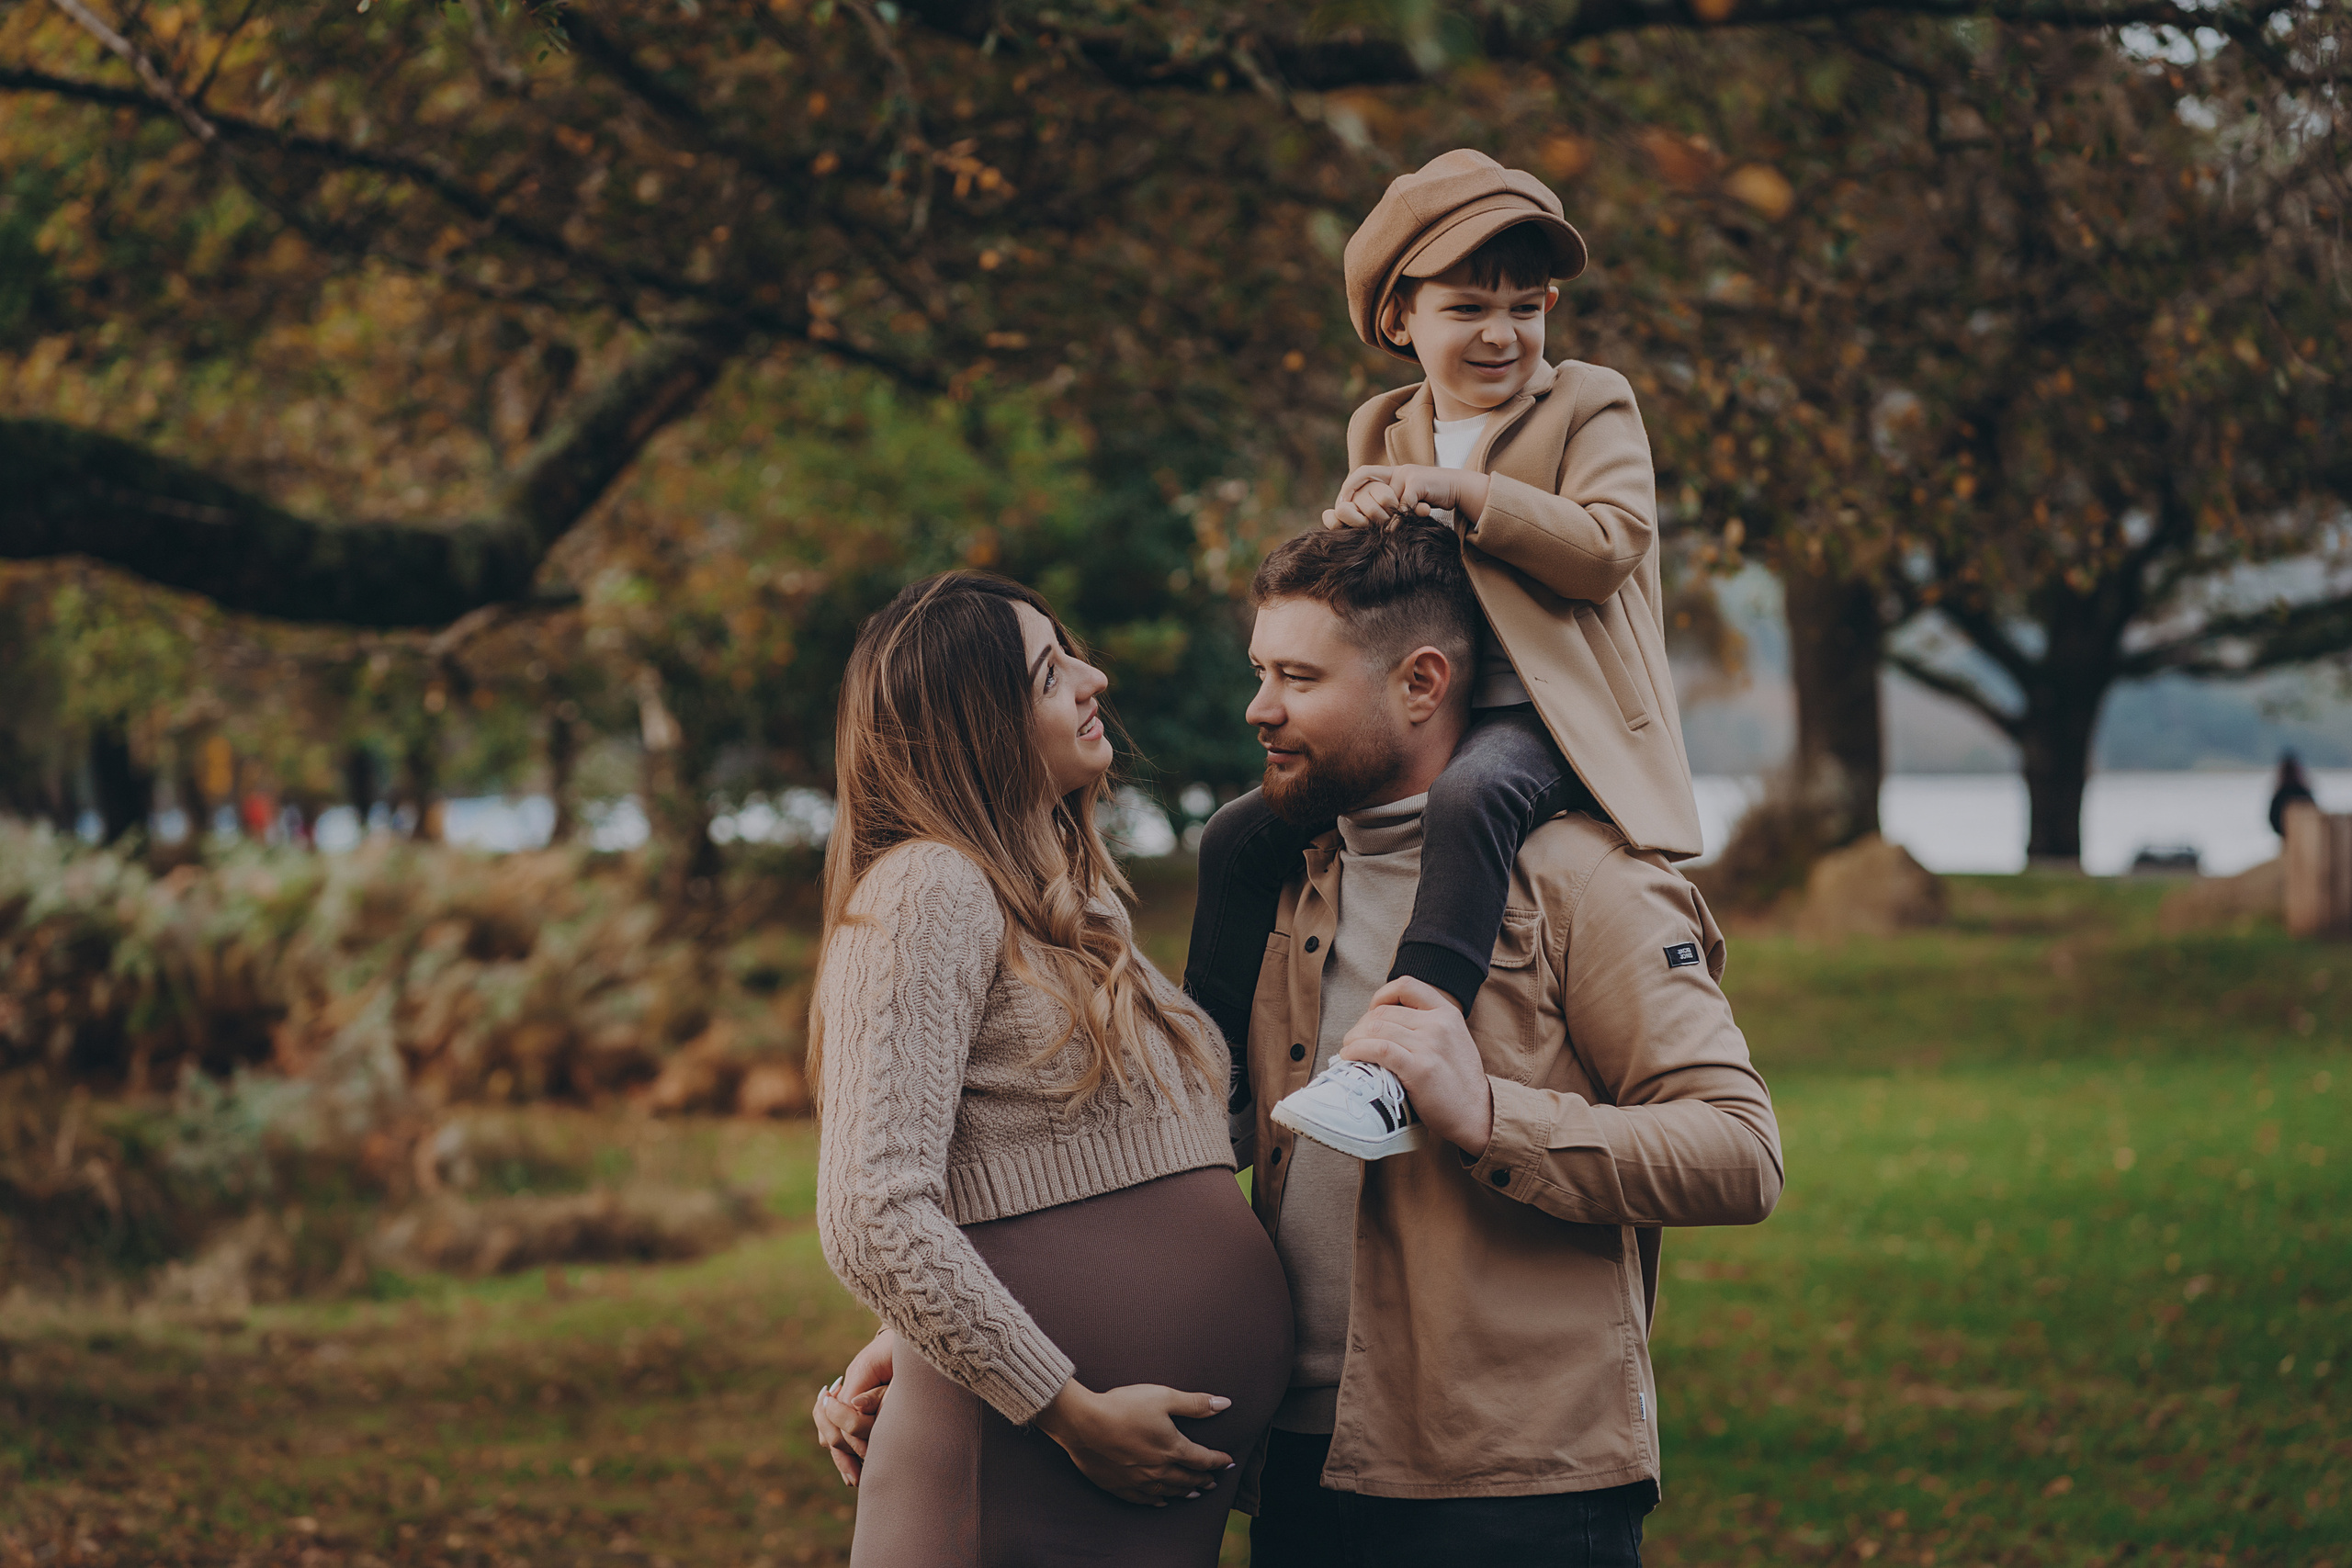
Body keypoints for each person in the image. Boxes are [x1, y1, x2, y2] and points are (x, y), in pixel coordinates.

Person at [820, 525, 1784, 1566]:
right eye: (1257, 672)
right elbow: (1116, 1149)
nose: (1257, 708)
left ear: (1420, 683)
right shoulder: (1282, 891)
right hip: (1294, 1475)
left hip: (1504, 1483)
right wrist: (942, 1342)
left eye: (1295, 678)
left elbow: (1741, 1152)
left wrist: (1491, 1118)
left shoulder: (1584, 886)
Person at [1185, 149, 1704, 1160]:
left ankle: (1393, 1066)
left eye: (1527, 304)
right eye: (1468, 308)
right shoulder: (1382, 424)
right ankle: (1209, 1088)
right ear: (1400, 320)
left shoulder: (1589, 405)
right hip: (1430, 705)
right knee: (1239, 838)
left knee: (1473, 799)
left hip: (1552, 716)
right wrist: (1364, 510)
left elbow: (1605, 550)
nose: (1503, 332)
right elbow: (1379, 591)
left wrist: (1466, 496)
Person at [808, 572, 1291, 1567]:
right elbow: (869, 1208)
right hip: (1024, 1474)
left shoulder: (1074, 904)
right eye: (1049, 672)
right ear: (977, 723)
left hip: (1122, 1493)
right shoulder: (926, 888)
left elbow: (1099, 1170)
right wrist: (1064, 1408)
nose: (1093, 677)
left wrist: (923, 1330)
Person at [2269, 749, 2316, 838]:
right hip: (2305, 838)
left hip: (2288, 839)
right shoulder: (2304, 793)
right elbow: (2314, 813)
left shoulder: (2280, 795)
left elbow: (2273, 821)